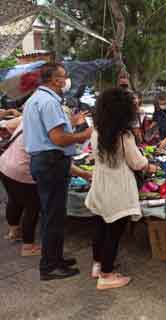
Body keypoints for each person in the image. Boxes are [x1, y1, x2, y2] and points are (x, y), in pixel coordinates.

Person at [23, 63, 93, 281]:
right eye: (64, 77)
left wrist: (70, 124)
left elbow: (53, 131)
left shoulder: (35, 99)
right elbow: (58, 139)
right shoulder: (49, 101)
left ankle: (54, 258)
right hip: (51, 162)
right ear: (55, 80)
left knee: (51, 215)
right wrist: (83, 135)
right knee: (53, 216)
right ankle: (50, 266)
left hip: (44, 162)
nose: (66, 80)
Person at [85, 88, 156, 290]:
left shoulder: (97, 130)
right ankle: (107, 275)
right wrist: (148, 165)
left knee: (100, 224)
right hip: (118, 186)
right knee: (114, 232)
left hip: (100, 183)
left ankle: (98, 265)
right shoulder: (123, 135)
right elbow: (136, 162)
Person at [0, 116, 91, 257]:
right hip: (23, 170)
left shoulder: (29, 118)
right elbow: (64, 164)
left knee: (14, 199)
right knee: (33, 206)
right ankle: (28, 246)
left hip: (5, 165)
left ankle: (13, 232)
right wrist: (86, 174)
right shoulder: (51, 135)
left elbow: (5, 127)